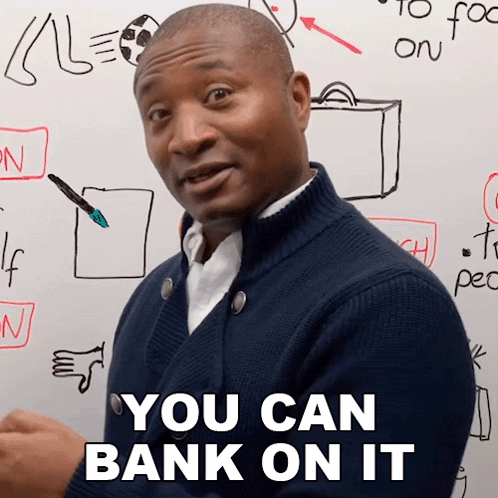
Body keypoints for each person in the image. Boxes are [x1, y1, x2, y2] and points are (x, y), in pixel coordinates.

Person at [0, 4, 475, 497]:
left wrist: (82, 484)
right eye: (159, 114)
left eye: (219, 95)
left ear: (298, 100)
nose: (187, 137)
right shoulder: (149, 300)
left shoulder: (392, 305)